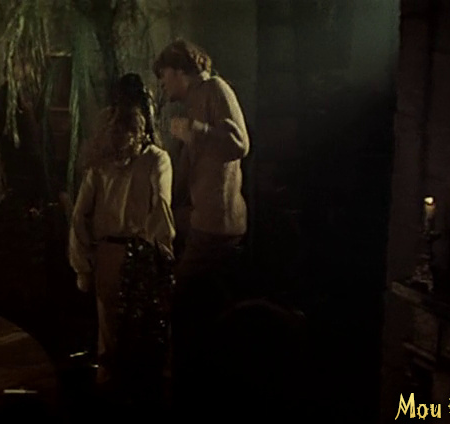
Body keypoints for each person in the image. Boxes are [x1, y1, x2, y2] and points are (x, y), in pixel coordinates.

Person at [152, 38, 250, 411]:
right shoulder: (195, 100)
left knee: (179, 295)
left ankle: (185, 381)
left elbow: (239, 144)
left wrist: (195, 131)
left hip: (217, 224)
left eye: (165, 78)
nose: (164, 86)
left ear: (181, 71)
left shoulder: (215, 90)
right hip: (202, 219)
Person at [68, 73, 175, 411]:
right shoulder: (145, 160)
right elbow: (161, 211)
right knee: (129, 337)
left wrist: (83, 266)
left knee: (120, 338)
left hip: (122, 255)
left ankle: (119, 400)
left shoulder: (140, 160)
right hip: (127, 255)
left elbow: (80, 217)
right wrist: (161, 255)